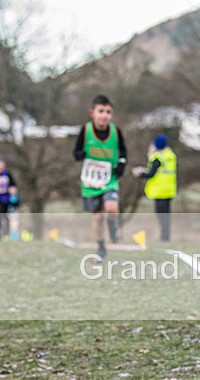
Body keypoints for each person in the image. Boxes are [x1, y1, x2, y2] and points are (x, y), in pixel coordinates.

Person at [73, 94, 128, 258]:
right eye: (101, 111)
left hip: (109, 178)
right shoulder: (85, 130)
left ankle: (112, 223)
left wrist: (122, 164)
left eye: (108, 112)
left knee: (112, 207)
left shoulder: (116, 132)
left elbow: (124, 151)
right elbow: (75, 151)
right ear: (92, 113)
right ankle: (101, 245)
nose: (105, 115)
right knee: (97, 217)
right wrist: (80, 155)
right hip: (90, 181)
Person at [133, 134, 177, 242]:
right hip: (169, 189)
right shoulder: (170, 155)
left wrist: (139, 173)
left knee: (161, 215)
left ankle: (164, 237)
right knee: (166, 215)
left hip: (160, 190)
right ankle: (166, 236)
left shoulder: (157, 157)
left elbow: (151, 173)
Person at [0, 156, 19, 239]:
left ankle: (6, 232)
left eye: (1, 165)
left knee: (6, 216)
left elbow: (13, 184)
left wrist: (13, 190)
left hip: (7, 199)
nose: (0, 167)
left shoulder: (7, 174)